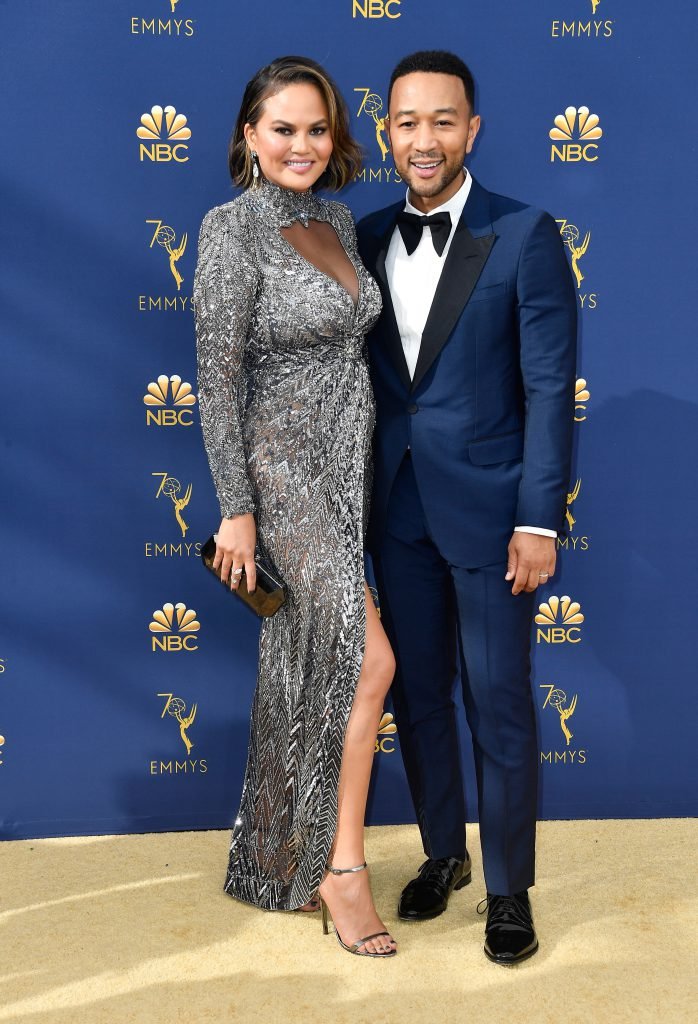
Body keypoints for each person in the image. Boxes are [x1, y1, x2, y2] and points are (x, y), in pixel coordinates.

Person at [356, 50, 577, 965]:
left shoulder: (523, 233)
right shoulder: (363, 237)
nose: (424, 139)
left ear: (471, 130)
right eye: (407, 122)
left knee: (499, 701)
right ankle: (444, 852)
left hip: (493, 516)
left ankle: (510, 890)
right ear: (387, 132)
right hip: (396, 509)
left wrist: (538, 518)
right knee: (420, 696)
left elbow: (549, 388)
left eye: (443, 121)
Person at [193, 56, 397, 958]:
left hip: (348, 471)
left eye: (317, 129)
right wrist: (237, 509)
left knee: (318, 667)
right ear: (249, 135)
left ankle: (275, 853)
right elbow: (216, 379)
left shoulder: (338, 220)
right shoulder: (229, 230)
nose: (303, 145)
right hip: (281, 479)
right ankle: (338, 868)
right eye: (283, 129)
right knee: (366, 664)